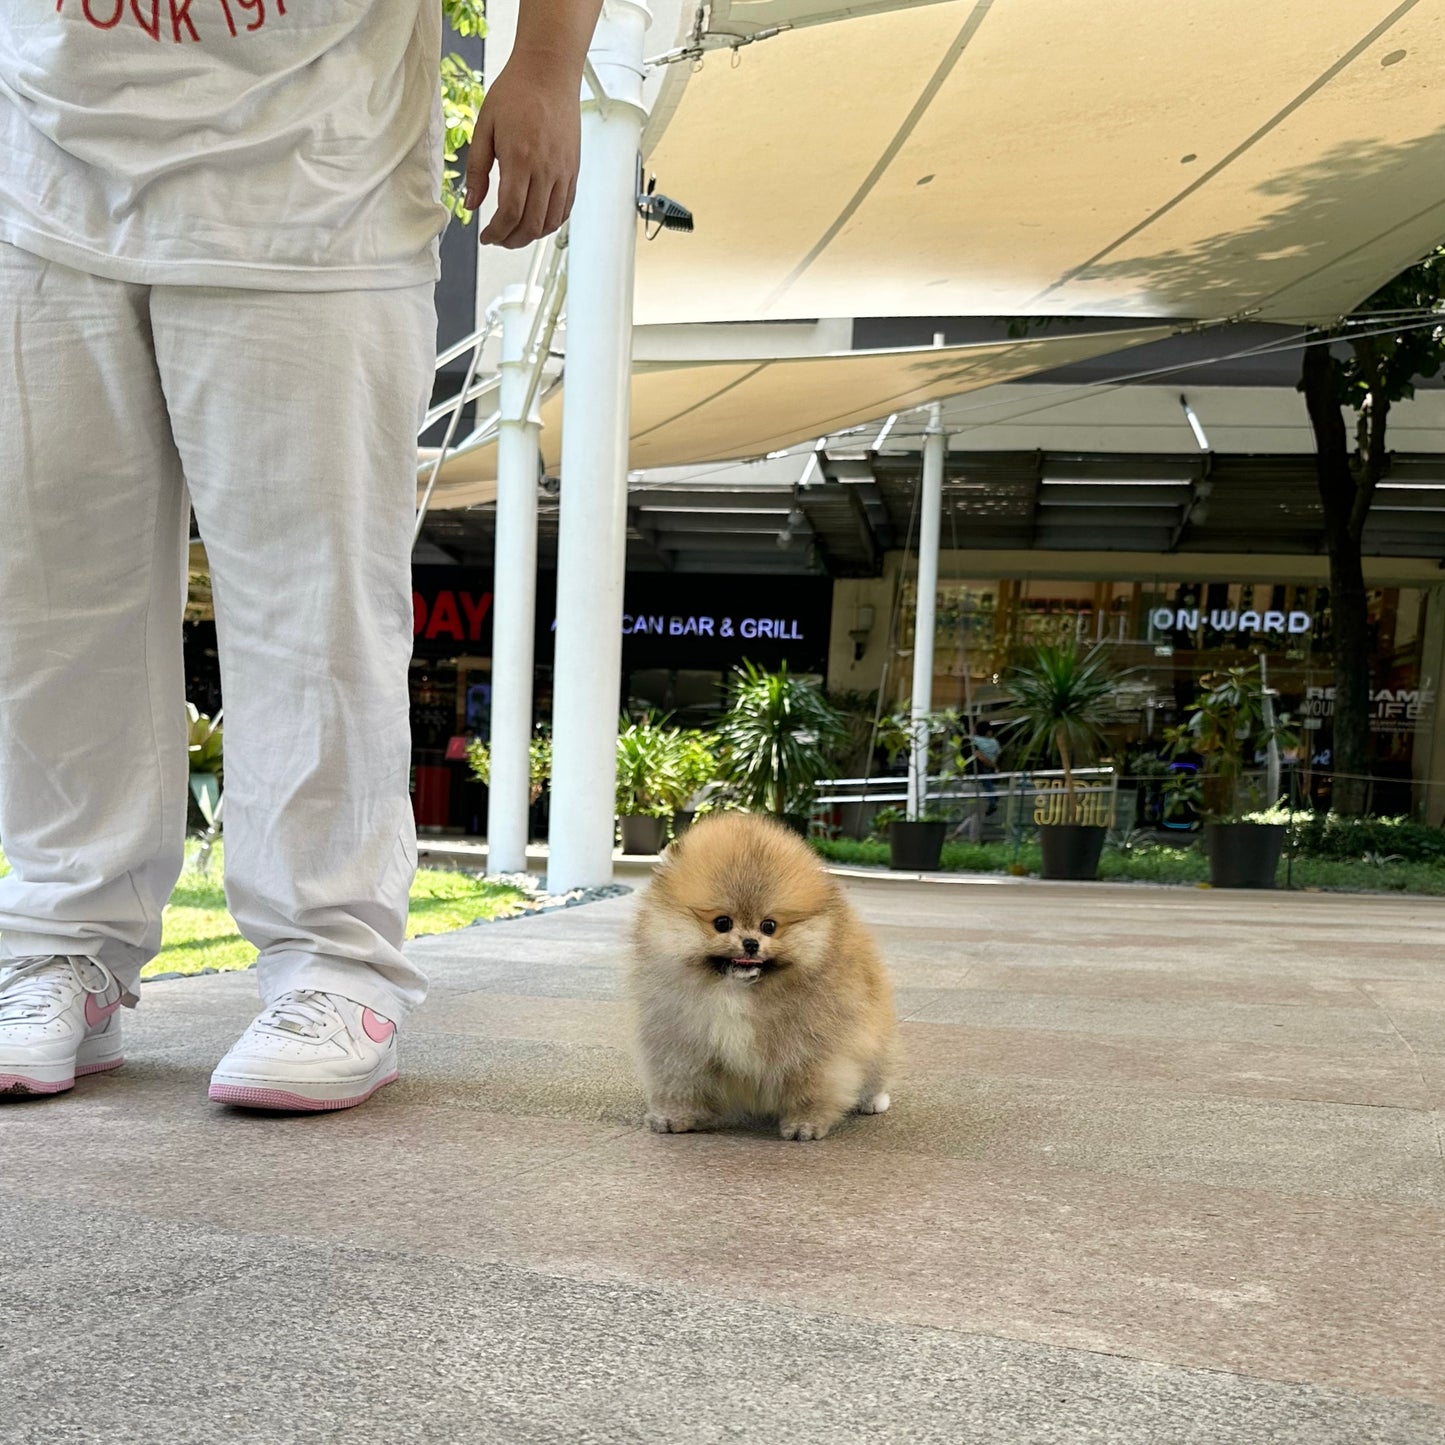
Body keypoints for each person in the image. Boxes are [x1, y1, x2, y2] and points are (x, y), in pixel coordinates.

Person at [0, 0, 600, 1111]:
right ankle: (56, 937)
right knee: (49, 599)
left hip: (318, 178)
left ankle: (334, 958)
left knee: (312, 605)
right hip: (38, 160)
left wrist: (547, 63)